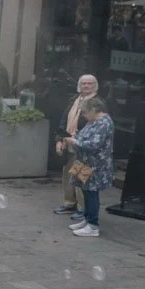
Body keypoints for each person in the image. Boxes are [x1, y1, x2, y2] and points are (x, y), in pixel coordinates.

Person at [57, 95, 113, 238]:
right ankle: (87, 220)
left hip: (95, 165)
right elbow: (84, 135)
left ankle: (93, 225)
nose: (83, 116)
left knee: (91, 193)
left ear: (94, 110)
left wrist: (74, 142)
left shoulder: (104, 123)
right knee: (85, 190)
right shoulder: (93, 121)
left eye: (85, 113)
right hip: (84, 162)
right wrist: (75, 136)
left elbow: (94, 145)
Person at [53, 74, 100, 217]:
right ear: (79, 85)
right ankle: (69, 204)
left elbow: (96, 126)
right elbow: (63, 120)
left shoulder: (97, 103)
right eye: (84, 83)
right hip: (69, 142)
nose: (86, 86)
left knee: (81, 176)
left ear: (95, 86)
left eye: (90, 83)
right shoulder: (74, 100)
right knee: (68, 174)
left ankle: (83, 208)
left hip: (83, 145)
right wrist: (59, 139)